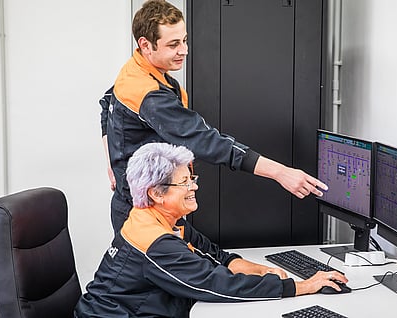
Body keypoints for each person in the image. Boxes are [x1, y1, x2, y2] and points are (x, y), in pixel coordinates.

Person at [100, 0, 328, 232]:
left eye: (185, 40)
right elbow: (206, 141)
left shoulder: (135, 70)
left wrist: (112, 160)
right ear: (145, 45)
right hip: (144, 211)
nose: (184, 50)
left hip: (155, 201)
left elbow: (107, 101)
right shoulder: (148, 94)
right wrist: (280, 172)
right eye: (173, 44)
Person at [75, 143, 348, 318]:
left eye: (192, 178)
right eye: (184, 182)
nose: (194, 187)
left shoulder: (166, 221)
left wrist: (262, 270)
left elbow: (216, 257)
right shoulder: (155, 242)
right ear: (156, 193)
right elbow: (219, 286)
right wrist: (302, 286)